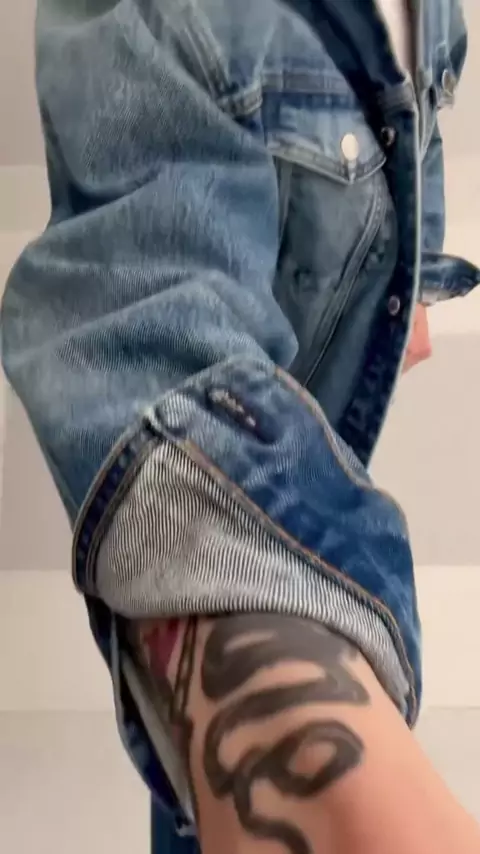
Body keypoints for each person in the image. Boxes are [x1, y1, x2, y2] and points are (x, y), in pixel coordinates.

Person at [1, 0, 479, 852]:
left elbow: (415, 121)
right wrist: (317, 760)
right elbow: (145, 315)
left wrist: (415, 279)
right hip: (241, 514)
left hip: (316, 440)